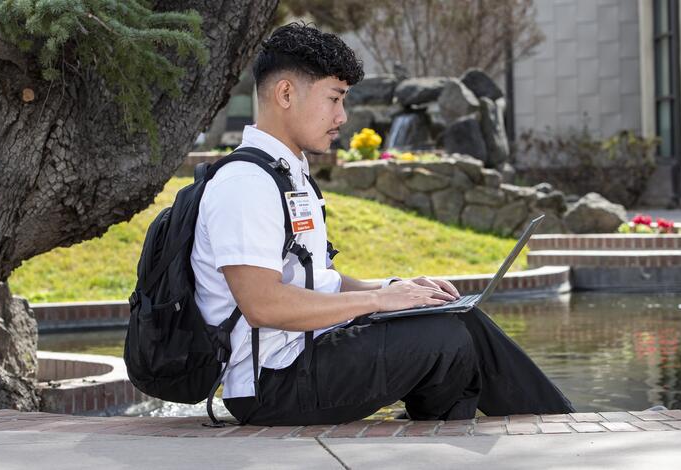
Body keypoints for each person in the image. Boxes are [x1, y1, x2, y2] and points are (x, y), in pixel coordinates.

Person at [189, 22, 574, 426]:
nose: (342, 116)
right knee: (447, 341)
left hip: (308, 354)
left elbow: (320, 281)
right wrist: (377, 302)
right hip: (273, 385)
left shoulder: (288, 174)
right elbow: (263, 304)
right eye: (334, 99)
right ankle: (536, 429)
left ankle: (553, 421)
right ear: (286, 93)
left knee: (455, 316)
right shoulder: (247, 184)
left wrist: (394, 288)